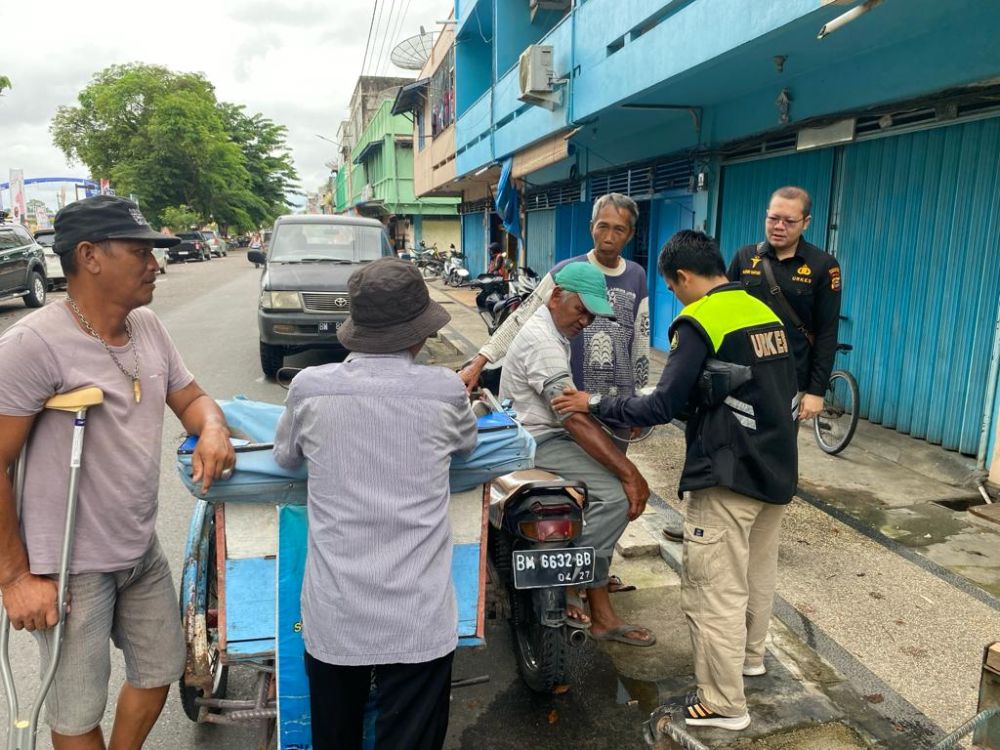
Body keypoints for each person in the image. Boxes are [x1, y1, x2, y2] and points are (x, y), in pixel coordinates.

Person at [0, 195, 235, 750]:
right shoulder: (31, 346)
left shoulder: (147, 326)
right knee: (78, 709)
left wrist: (214, 427)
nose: (156, 263)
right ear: (90, 256)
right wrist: (13, 578)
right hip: (68, 563)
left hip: (137, 548)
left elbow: (193, 398)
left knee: (161, 668)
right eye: (140, 251)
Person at [552, 230, 799, 730]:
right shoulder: (762, 310)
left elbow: (663, 404)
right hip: (775, 466)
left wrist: (596, 403)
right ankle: (750, 659)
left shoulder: (700, 319)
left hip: (728, 476)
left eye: (672, 287)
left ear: (683, 276)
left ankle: (723, 702)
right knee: (757, 577)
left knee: (713, 591)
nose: (674, 296)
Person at [273, 258, 478, 749]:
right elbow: (467, 447)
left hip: (336, 613)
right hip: (418, 616)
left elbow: (284, 456)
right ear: (418, 334)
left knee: (335, 738)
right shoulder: (446, 390)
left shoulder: (309, 387)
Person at [500, 262, 655, 646]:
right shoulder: (542, 340)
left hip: (544, 433)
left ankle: (584, 591)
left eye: (590, 314)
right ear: (555, 296)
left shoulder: (550, 329)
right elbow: (572, 418)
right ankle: (577, 584)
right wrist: (629, 473)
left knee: (603, 482)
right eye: (580, 310)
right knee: (617, 497)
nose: (585, 320)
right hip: (538, 441)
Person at [462, 193, 650, 452]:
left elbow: (640, 339)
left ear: (629, 235)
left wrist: (637, 404)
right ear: (591, 227)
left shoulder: (636, 275)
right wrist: (479, 362)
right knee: (584, 481)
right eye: (602, 226)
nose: (608, 237)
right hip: (572, 401)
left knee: (617, 472)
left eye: (619, 229)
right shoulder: (566, 272)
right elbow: (520, 318)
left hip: (616, 404)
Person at [727, 185, 841, 423]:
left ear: (806, 222)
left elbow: (827, 332)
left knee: (778, 451)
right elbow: (723, 311)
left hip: (791, 379)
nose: (779, 227)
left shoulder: (822, 265)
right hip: (742, 374)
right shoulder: (745, 257)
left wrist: (816, 391)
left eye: (789, 221)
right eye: (773, 218)